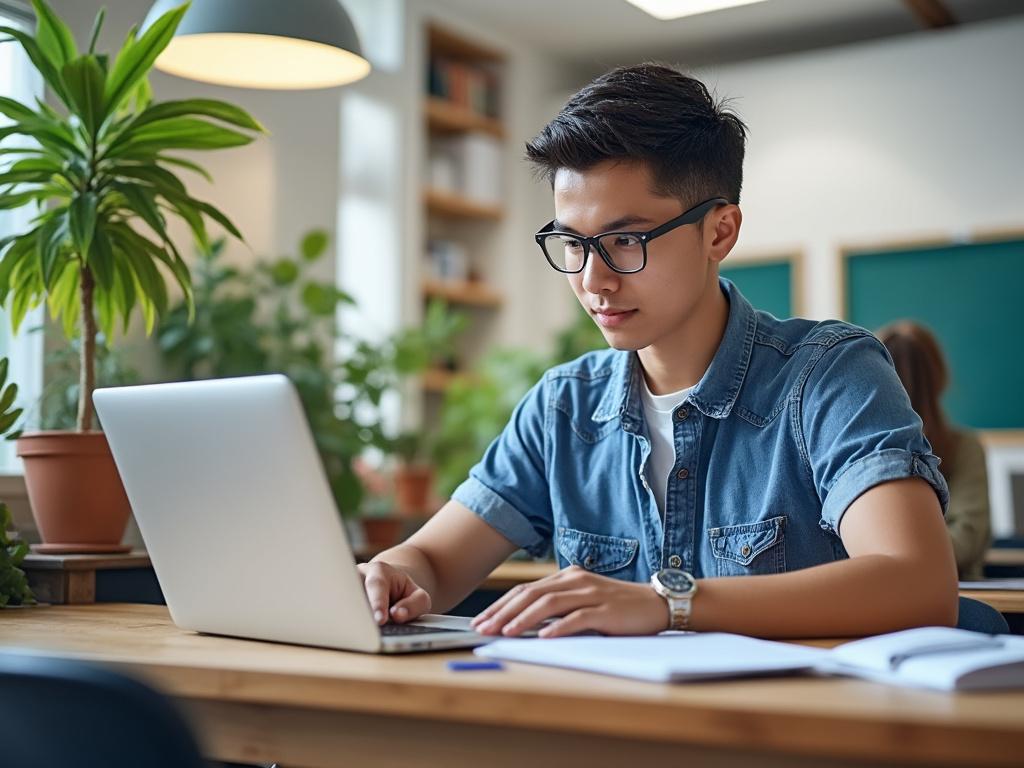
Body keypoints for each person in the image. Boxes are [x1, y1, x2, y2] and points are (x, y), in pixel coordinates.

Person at [359, 63, 957, 638]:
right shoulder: (563, 407)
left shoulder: (829, 376)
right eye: (572, 242)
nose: (594, 280)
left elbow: (919, 584)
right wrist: (394, 575)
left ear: (719, 231)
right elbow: (434, 563)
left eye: (625, 239)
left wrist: (669, 604)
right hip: (613, 735)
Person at [877, 321, 991, 580]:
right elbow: (968, 533)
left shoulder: (963, 448)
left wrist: (892, 558)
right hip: (901, 586)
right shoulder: (966, 447)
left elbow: (967, 538)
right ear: (940, 376)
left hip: (947, 587)